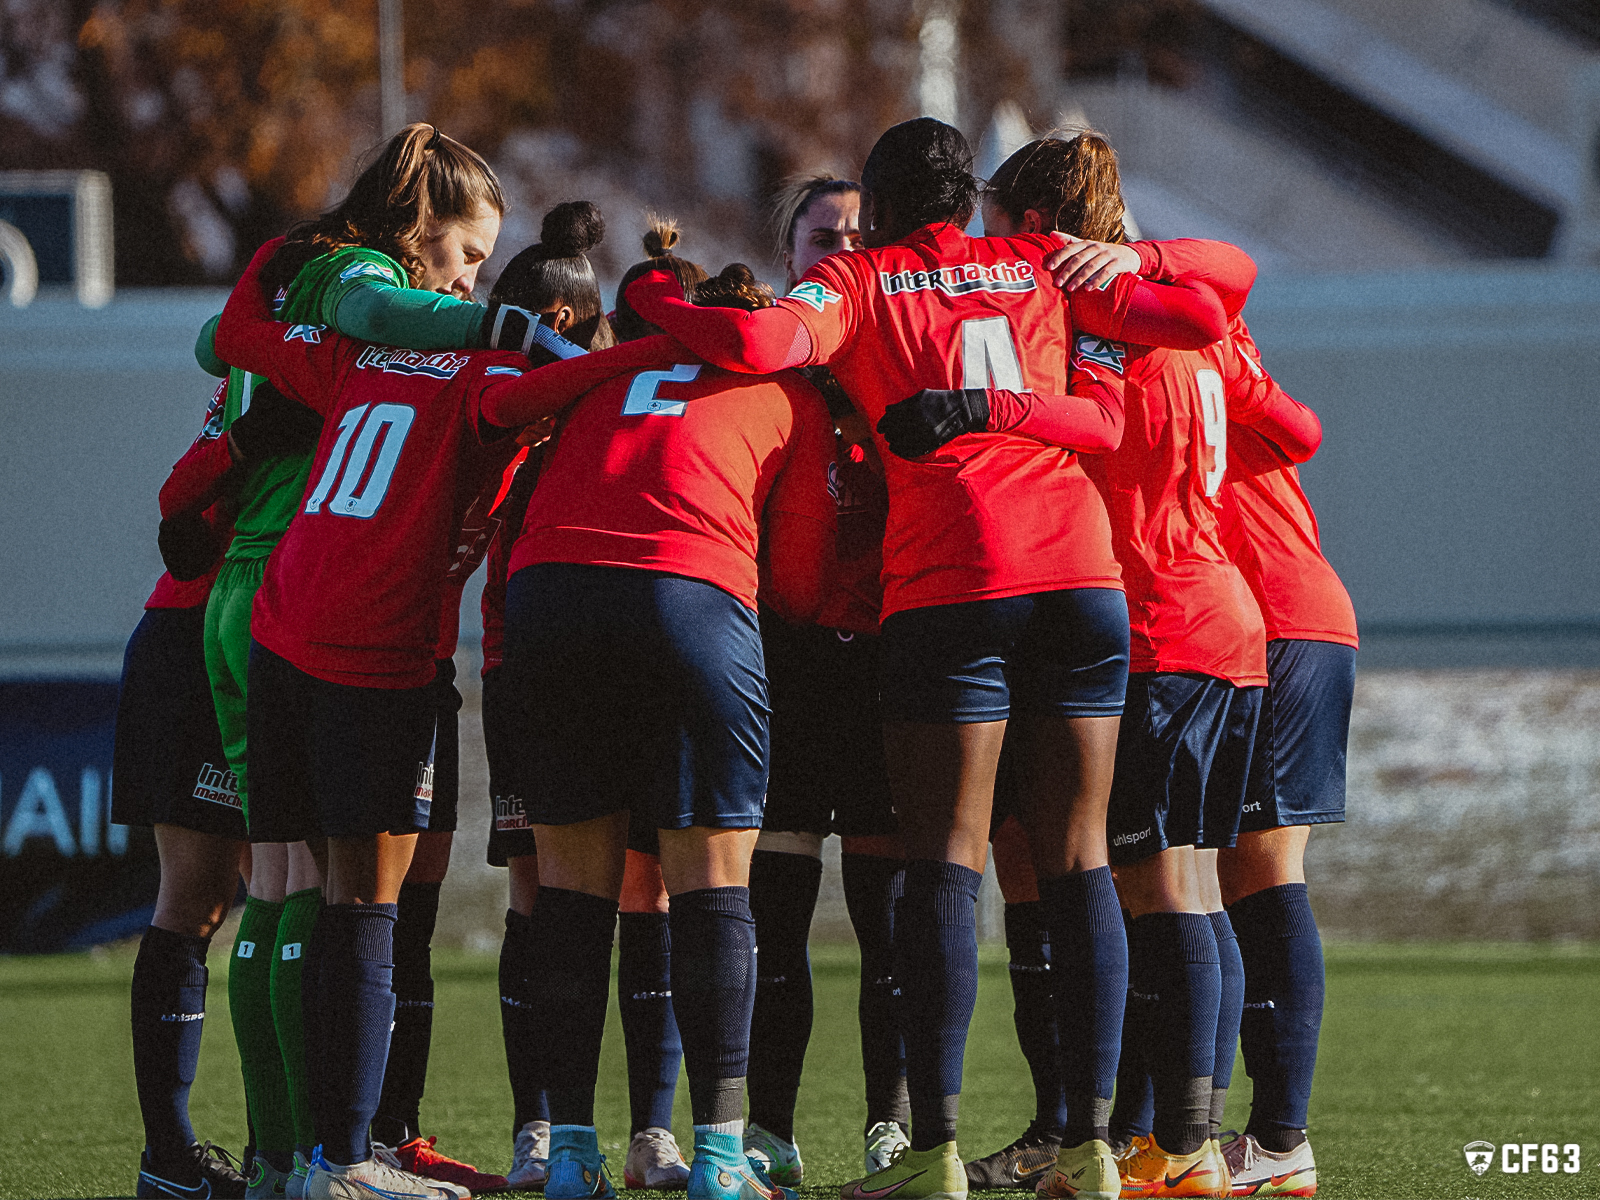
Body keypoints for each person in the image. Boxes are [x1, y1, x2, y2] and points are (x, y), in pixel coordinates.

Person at [625, 118, 1239, 1200]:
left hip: (951, 584)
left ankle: (933, 1154)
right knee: (1080, 855)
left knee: (944, 861)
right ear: (967, 199)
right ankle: (1092, 1151)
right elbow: (1210, 298)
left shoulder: (859, 281)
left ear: (881, 197)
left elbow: (764, 345)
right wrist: (1137, 257)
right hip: (1080, 580)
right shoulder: (1043, 262)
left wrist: (660, 302)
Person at [209, 232, 673, 1200]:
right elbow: (572, 387)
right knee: (364, 909)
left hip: (278, 635)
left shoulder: (358, 353)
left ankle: (293, 1164)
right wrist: (670, 343)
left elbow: (243, 334)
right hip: (370, 653)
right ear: (552, 325)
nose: (459, 284)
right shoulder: (487, 378)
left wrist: (273, 256)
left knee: (298, 894)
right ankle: (345, 1161)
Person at [974, 131, 1319, 1200]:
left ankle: (1181, 1145)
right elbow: (1236, 309)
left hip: (1158, 623)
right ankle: (1182, 1141)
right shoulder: (1188, 321)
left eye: (1001, 226)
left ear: (1039, 229)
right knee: (1192, 888)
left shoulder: (1099, 324)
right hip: (1222, 620)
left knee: (1159, 886)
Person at [498, 224, 835, 1200]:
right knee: (709, 885)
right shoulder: (786, 387)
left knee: (567, 897)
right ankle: (720, 1160)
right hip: (687, 598)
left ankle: (568, 1156)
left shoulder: (606, 373)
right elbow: (804, 584)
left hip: (548, 602)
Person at [478, 204, 692, 1193]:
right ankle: (542, 1128)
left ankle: (652, 1133)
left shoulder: (613, 391)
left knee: (642, 887)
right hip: (522, 664)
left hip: (618, 661)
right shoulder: (519, 398)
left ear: (562, 320)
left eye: (523, 323)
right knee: (542, 895)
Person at [741, 173, 911, 1184]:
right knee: (777, 921)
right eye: (820, 235)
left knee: (887, 925)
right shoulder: (766, 372)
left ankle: (887, 1125)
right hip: (788, 665)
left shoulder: (904, 363)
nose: (840, 249)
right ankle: (768, 1127)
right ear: (789, 253)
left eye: (856, 234)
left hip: (888, 663)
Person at [1214, 323, 1354, 1199]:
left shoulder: (1203, 350)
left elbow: (1303, 428)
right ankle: (1225, 1137)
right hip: (1263, 619)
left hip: (1279, 619)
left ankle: (1278, 1143)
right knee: (1219, 875)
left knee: (1263, 868)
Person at [116, 379, 250, 1200]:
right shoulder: (295, 348)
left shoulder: (269, 346)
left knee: (278, 891)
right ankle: (171, 1155)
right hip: (200, 633)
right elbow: (185, 516)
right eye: (460, 253)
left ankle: (308, 1149)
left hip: (229, 631)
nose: (464, 278)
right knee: (203, 900)